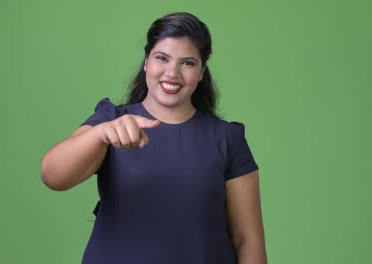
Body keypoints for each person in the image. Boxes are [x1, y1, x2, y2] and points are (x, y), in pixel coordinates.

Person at [41, 12, 267, 264]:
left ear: (202, 71)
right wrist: (100, 134)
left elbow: (248, 239)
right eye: (162, 58)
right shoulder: (111, 120)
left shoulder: (227, 138)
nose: (173, 72)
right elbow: (53, 176)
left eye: (188, 63)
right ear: (146, 62)